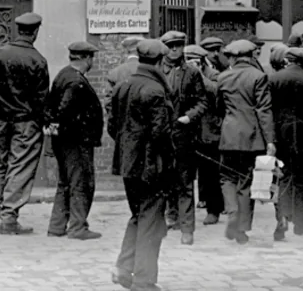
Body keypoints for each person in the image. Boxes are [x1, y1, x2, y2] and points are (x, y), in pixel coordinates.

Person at [109, 38, 175, 291]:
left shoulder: (122, 86)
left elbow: (113, 127)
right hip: (152, 166)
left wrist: (131, 149)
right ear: (159, 61)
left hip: (128, 164)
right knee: (151, 220)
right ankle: (144, 280)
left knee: (139, 215)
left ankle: (124, 269)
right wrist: (168, 161)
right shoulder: (156, 90)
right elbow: (161, 134)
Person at [0, 12, 50, 234]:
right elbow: (41, 99)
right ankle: (8, 217)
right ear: (35, 32)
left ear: (19, 30)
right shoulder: (38, 60)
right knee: (20, 167)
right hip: (25, 122)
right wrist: (42, 121)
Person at [215, 38, 276, 244]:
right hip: (252, 138)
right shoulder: (259, 76)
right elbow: (264, 110)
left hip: (229, 136)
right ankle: (241, 228)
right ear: (251, 56)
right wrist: (270, 140)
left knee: (226, 177)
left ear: (233, 57)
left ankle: (231, 212)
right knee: (245, 181)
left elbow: (218, 108)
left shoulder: (223, 77)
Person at [46, 40, 104, 240]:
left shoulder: (63, 75)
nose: (92, 62)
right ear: (86, 58)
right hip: (77, 142)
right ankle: (78, 227)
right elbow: (63, 111)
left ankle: (57, 226)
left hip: (65, 141)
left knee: (65, 182)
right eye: (92, 58)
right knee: (81, 183)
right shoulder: (76, 82)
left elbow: (52, 110)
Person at [268, 47, 303, 240]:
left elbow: (271, 110)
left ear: (287, 60)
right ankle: (299, 223)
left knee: (284, 177)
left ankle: (282, 218)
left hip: (282, 134)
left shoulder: (274, 79)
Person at [159, 30, 207, 245]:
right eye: (171, 46)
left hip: (183, 135)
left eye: (179, 45)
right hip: (161, 135)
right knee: (164, 180)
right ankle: (171, 217)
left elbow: (202, 102)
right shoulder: (157, 71)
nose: (175, 49)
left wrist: (189, 117)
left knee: (185, 182)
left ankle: (188, 228)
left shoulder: (192, 73)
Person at [194, 39, 225, 225]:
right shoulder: (179, 74)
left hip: (209, 130)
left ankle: (213, 210)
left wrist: (199, 76)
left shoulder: (213, 74)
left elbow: (216, 91)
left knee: (211, 172)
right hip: (189, 130)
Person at [106, 35, 146, 118]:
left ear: (127, 51)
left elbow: (109, 103)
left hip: (121, 123)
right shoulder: (148, 70)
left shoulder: (115, 72)